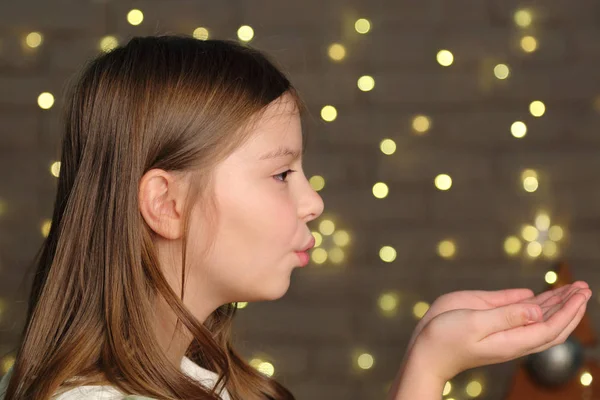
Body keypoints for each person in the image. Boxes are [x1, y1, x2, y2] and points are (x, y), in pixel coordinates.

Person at [0, 34, 592, 400]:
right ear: (166, 203)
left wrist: (425, 351)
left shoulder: (200, 383)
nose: (313, 201)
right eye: (282, 173)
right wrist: (431, 368)